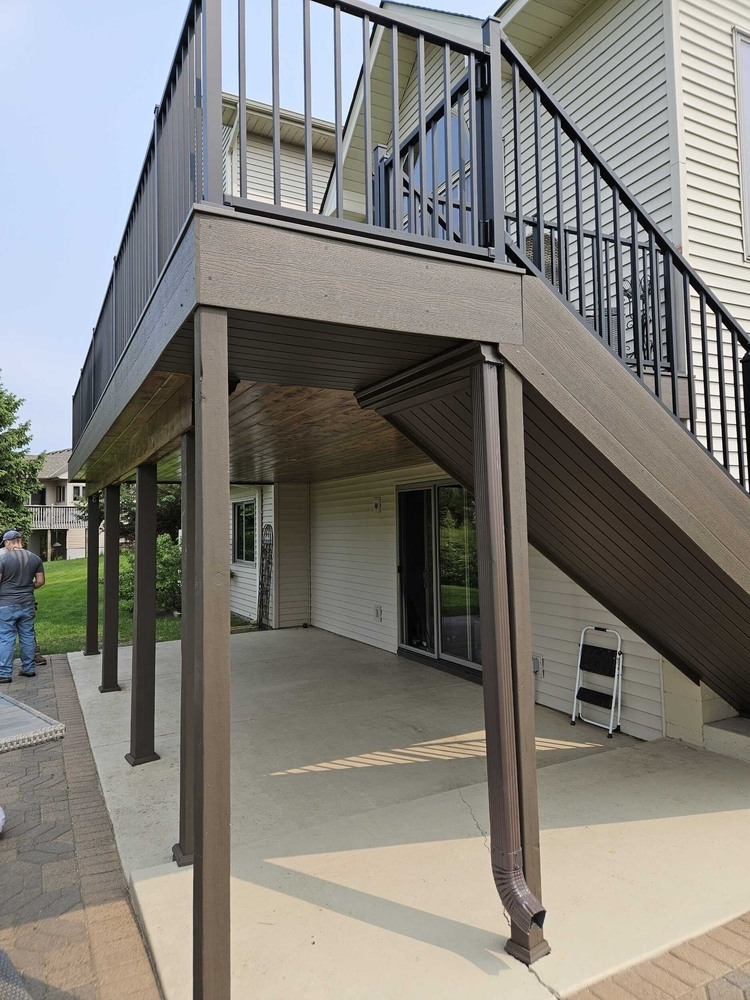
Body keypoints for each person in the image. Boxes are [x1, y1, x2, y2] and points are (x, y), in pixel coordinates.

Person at [0, 530, 45, 683]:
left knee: (6, 637)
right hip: (28, 602)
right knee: (27, 635)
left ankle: (5, 673)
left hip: (6, 604)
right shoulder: (35, 558)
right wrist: (27, 586)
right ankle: (29, 669)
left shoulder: (3, 558)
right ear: (20, 541)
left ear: (8, 542)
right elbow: (40, 581)